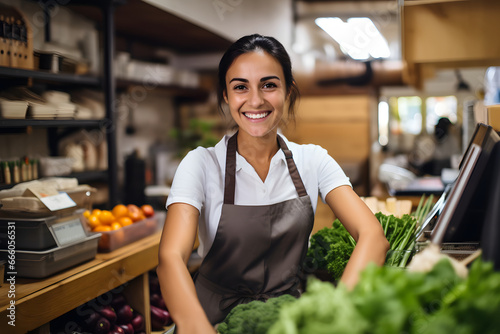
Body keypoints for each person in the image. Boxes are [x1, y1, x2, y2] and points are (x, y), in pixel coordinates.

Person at [156, 34, 389, 334]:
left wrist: (334, 316)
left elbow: (372, 235)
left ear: (288, 91)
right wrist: (195, 327)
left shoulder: (313, 160)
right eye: (240, 87)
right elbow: (171, 256)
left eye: (269, 85)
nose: (255, 100)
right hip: (209, 322)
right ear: (226, 96)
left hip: (286, 323)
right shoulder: (201, 164)